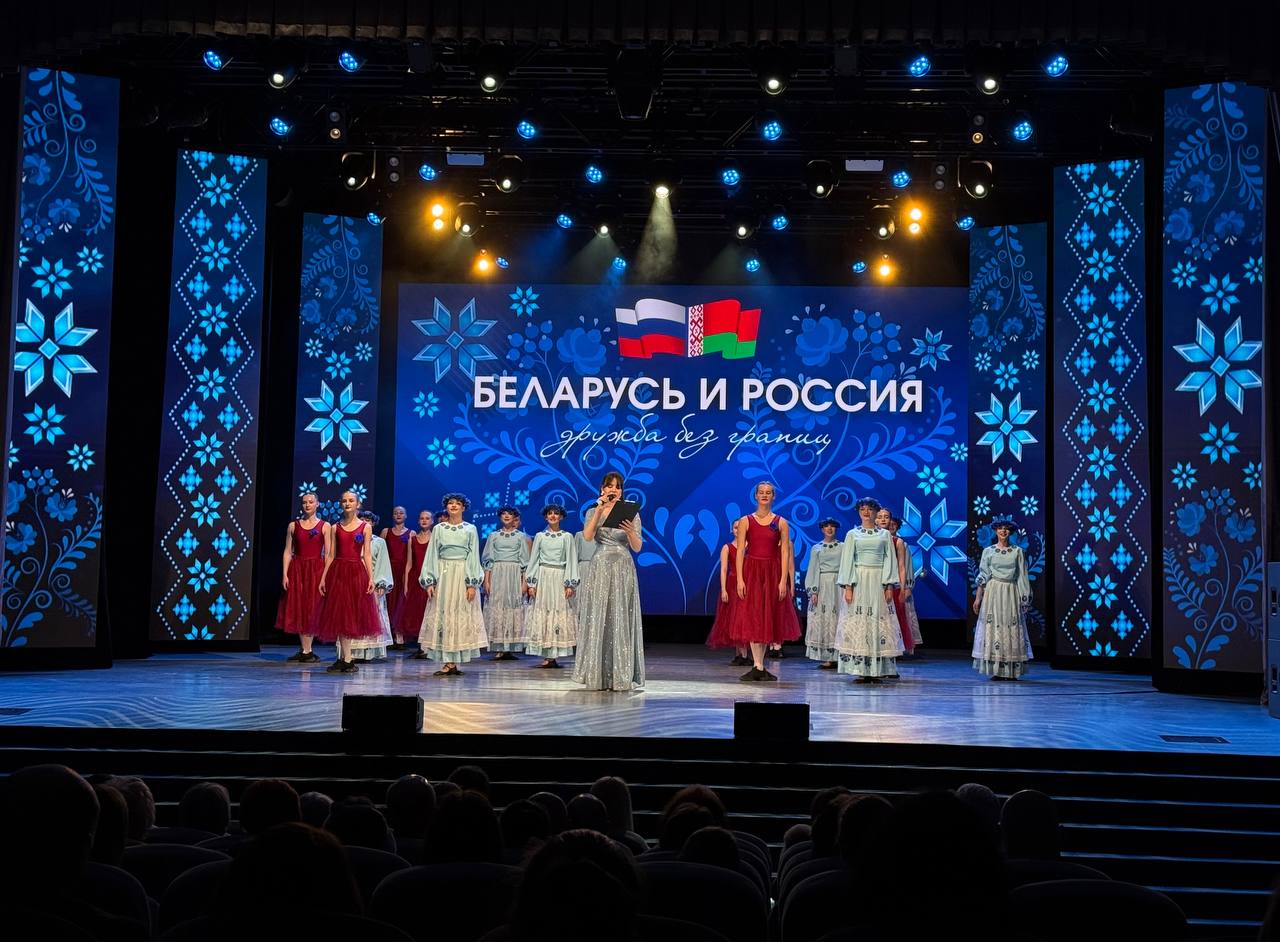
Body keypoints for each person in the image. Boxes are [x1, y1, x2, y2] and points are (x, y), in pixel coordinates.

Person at [573, 471, 645, 691]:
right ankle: (598, 675)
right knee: (599, 615)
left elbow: (637, 547)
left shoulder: (630, 513)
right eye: (609, 485)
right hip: (601, 564)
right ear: (602, 489)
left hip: (623, 565)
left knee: (620, 615)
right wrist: (598, 510)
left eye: (618, 486)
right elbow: (587, 536)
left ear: (622, 491)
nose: (614, 489)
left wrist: (630, 531)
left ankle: (621, 675)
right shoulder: (593, 510)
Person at [728, 481, 802, 682]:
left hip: (772, 573)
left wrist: (783, 580)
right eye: (761, 492)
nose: (764, 495)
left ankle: (760, 665)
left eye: (768, 493)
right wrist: (740, 578)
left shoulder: (781, 522)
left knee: (768, 616)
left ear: (773, 497)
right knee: (753, 616)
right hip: (753, 572)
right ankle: (758, 665)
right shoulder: (746, 520)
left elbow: (785, 552)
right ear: (756, 496)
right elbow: (741, 551)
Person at [416, 493, 487, 675]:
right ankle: (448, 661)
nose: (454, 506)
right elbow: (432, 554)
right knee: (444, 612)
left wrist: (472, 583)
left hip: (462, 574)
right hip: (444, 574)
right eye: (450, 503)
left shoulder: (470, 529)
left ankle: (454, 660)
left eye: (457, 503)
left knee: (459, 613)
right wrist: (430, 581)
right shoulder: (439, 528)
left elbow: (473, 556)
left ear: (463, 507)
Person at [312, 491, 382, 674]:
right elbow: (330, 555)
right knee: (340, 615)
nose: (347, 503)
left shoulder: (365, 527)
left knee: (351, 615)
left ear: (358, 504)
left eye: (351, 500)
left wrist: (371, 578)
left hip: (356, 572)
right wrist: (323, 577)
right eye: (344, 501)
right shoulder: (335, 527)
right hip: (338, 572)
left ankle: (348, 659)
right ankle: (346, 658)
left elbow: (367, 554)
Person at [834, 497, 902, 682]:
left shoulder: (884, 535)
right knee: (860, 620)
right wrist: (848, 587)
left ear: (876, 512)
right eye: (862, 509)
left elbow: (889, 560)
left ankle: (876, 668)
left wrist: (889, 585)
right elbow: (848, 560)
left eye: (870, 509)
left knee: (878, 620)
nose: (866, 512)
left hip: (878, 580)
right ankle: (860, 668)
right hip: (859, 580)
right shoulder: (852, 534)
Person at [972, 517, 1032, 680]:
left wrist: (1024, 599)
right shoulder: (988, 551)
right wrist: (978, 598)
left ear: (1010, 532)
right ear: (995, 531)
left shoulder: (1017, 551)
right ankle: (997, 670)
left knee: (1010, 627)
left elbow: (1022, 577)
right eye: (1000, 528)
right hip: (993, 592)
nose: (1003, 531)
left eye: (1006, 528)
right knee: (995, 628)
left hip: (1010, 591)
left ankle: (1011, 671)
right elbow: (983, 576)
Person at [526, 503, 579, 669]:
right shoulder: (540, 536)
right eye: (550, 513)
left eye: (556, 513)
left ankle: (554, 653)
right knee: (544, 611)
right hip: (543, 576)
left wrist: (570, 583)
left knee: (557, 610)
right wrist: (532, 583)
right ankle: (547, 654)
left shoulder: (567, 537)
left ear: (561, 517)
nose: (553, 516)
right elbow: (534, 560)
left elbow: (571, 560)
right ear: (546, 517)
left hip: (559, 576)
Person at [279, 492, 326, 663]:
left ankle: (307, 650)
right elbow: (287, 551)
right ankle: (305, 649)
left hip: (316, 570)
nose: (307, 505)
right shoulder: (293, 526)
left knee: (312, 608)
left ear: (317, 504)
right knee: (299, 606)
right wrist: (285, 574)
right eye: (305, 502)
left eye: (311, 502)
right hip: (298, 569)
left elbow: (329, 554)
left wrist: (324, 577)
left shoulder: (325, 526)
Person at [483, 506, 530, 660]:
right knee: (498, 606)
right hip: (497, 573)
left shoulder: (521, 536)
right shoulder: (493, 536)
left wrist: (524, 583)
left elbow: (525, 562)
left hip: (514, 574)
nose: (507, 516)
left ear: (515, 517)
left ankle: (510, 646)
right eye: (504, 514)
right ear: (500, 517)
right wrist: (487, 581)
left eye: (510, 514)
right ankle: (499, 647)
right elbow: (488, 561)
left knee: (512, 606)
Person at [351, 509, 395, 662]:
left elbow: (383, 562)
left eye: (368, 520)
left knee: (372, 615)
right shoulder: (354, 538)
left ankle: (368, 652)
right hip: (354, 579)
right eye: (363, 520)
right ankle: (352, 652)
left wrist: (381, 583)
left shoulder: (379, 542)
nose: (365, 523)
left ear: (373, 524)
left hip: (372, 581)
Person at [803, 517, 843, 669]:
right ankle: (828, 656)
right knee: (825, 618)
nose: (829, 528)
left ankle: (840, 655)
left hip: (839, 584)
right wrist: (813, 590)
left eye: (832, 526)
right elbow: (813, 569)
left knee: (838, 617)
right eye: (826, 526)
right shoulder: (817, 548)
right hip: (823, 584)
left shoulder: (843, 546)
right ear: (822, 529)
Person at [705, 523, 748, 664]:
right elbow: (723, 570)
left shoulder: (751, 547)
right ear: (732, 530)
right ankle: (740, 654)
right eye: (735, 527)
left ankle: (744, 655)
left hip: (748, 584)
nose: (738, 530)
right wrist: (723, 589)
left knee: (745, 618)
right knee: (735, 618)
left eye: (740, 527)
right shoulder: (727, 548)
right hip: (732, 585)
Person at [877, 507, 914, 656]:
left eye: (887, 517)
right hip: (874, 583)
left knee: (894, 619)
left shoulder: (898, 542)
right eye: (880, 517)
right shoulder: (867, 538)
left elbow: (902, 567)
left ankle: (892, 650)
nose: (884, 520)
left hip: (893, 585)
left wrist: (904, 588)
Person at [393, 510, 432, 648]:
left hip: (430, 578)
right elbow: (409, 563)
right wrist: (406, 584)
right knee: (415, 611)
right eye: (422, 518)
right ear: (418, 521)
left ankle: (427, 644)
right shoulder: (413, 539)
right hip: (415, 578)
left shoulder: (435, 538)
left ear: (432, 521)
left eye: (427, 518)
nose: (424, 521)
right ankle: (420, 645)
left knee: (428, 609)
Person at [890, 513, 924, 653]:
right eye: (889, 524)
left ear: (898, 527)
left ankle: (901, 647)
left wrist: (908, 586)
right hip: (885, 585)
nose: (891, 526)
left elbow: (907, 566)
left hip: (899, 585)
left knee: (901, 616)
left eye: (894, 525)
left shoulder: (901, 544)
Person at [380, 506, 412, 649]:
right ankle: (388, 637)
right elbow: (379, 551)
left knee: (401, 602)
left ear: (405, 516)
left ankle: (400, 638)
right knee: (389, 602)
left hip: (403, 571)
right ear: (392, 516)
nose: (398, 515)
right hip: (389, 570)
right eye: (395, 513)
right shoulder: (385, 532)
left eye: (401, 513)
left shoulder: (411, 533)